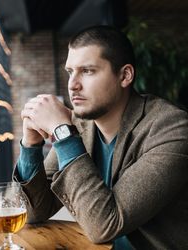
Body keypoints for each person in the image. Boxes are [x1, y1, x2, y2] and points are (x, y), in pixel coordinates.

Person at [14, 25, 188, 250]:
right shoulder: (81, 125)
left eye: (87, 71)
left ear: (125, 75)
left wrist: (63, 133)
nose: (73, 84)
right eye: (70, 71)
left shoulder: (172, 128)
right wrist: (31, 144)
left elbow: (104, 225)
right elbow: (33, 211)